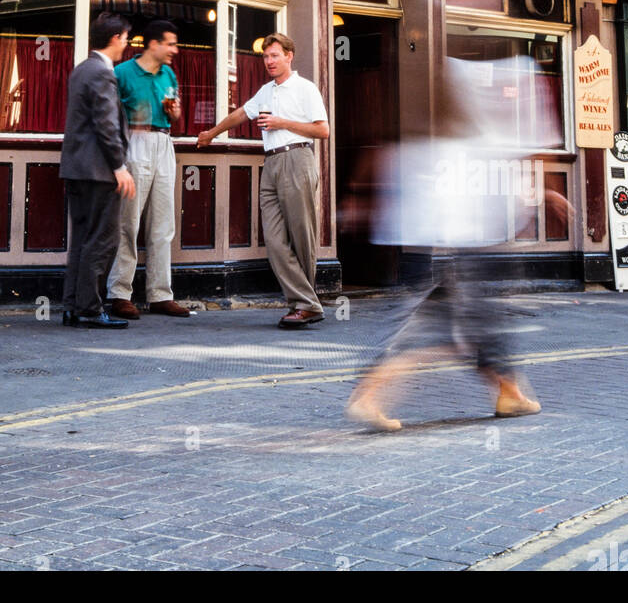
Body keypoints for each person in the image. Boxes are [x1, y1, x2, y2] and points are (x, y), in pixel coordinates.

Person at [346, 57, 555, 429]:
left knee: (464, 324)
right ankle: (370, 394)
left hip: (443, 241)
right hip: (468, 242)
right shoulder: (476, 136)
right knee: (453, 325)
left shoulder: (444, 139)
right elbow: (517, 158)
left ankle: (510, 392)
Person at [198, 33, 329, 328]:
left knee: (302, 236)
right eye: (266, 57)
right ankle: (307, 303)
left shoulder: (305, 88)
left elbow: (323, 131)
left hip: (297, 158)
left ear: (289, 55)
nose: (269, 61)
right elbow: (242, 113)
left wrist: (282, 123)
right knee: (273, 238)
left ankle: (305, 305)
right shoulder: (265, 91)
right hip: (271, 162)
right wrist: (212, 133)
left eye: (274, 55)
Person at [107, 19, 191, 319]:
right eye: (170, 43)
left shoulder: (168, 73)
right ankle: (119, 292)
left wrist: (176, 111)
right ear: (153, 44)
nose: (175, 50)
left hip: (164, 141)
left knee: (163, 222)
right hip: (136, 140)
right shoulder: (122, 73)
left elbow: (176, 110)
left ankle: (159, 294)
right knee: (128, 221)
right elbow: (109, 115)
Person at [59, 13, 136, 328]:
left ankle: (73, 306)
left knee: (81, 239)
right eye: (127, 38)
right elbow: (106, 124)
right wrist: (119, 166)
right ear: (116, 37)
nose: (128, 44)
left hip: (76, 169)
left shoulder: (81, 69)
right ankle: (90, 309)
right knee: (103, 239)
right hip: (99, 171)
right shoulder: (103, 74)